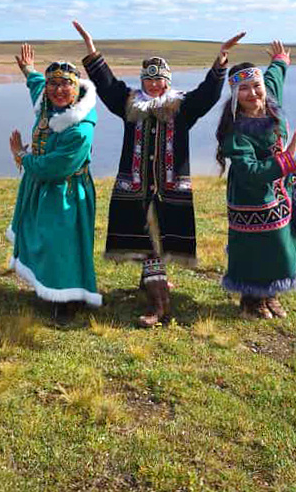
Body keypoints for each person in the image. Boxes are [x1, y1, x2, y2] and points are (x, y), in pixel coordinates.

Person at [74, 20, 245, 328]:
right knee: (146, 239)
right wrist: (90, 47)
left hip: (170, 187)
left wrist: (220, 60)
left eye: (160, 80)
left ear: (168, 81)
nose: (154, 85)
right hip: (135, 186)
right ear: (142, 81)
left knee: (158, 239)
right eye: (149, 80)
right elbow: (108, 84)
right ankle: (153, 287)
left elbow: (208, 94)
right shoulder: (129, 104)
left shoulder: (182, 107)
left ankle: (159, 303)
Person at [215, 40, 296, 319]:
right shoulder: (235, 133)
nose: (252, 93)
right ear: (234, 95)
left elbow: (274, 76)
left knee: (283, 242)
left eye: (255, 86)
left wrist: (280, 59)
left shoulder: (270, 100)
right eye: (243, 89)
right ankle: (251, 299)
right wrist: (286, 158)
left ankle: (271, 293)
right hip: (252, 195)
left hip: (283, 188)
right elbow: (249, 171)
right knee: (257, 246)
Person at [7, 43, 100, 320]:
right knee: (44, 239)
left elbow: (54, 167)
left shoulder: (80, 129)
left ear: (77, 88)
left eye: (66, 85)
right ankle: (49, 286)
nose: (59, 90)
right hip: (43, 190)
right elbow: (37, 87)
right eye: (54, 84)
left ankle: (68, 300)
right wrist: (29, 71)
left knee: (62, 244)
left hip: (67, 192)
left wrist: (22, 156)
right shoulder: (47, 105)